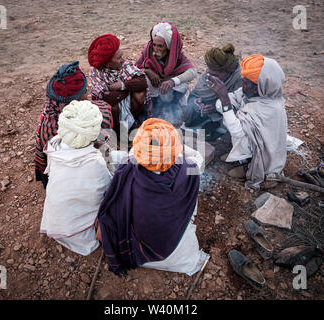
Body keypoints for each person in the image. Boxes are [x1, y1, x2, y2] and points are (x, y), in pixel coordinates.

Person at [96, 118, 209, 276]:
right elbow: (198, 157)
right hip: (172, 247)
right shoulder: (190, 170)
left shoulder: (126, 168)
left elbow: (134, 156)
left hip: (134, 249)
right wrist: (172, 146)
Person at [40, 100, 113, 256]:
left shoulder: (54, 145)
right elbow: (109, 191)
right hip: (80, 235)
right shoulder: (95, 163)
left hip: (55, 223)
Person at [207, 54, 287, 189]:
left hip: (265, 156)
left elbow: (237, 132)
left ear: (258, 86)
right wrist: (224, 100)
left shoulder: (268, 109)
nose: (242, 84)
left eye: (245, 82)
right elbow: (234, 97)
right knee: (229, 118)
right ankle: (242, 158)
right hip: (254, 142)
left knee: (239, 133)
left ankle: (252, 167)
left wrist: (225, 101)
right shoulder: (253, 92)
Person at [35, 60, 91, 188]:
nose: (87, 96)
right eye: (84, 92)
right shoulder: (61, 131)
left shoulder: (50, 113)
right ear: (72, 102)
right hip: (67, 177)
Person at [136, 22, 197, 127]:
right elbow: (134, 68)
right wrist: (148, 71)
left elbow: (192, 71)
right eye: (154, 45)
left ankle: (170, 109)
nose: (156, 49)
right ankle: (151, 111)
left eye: (160, 46)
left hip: (169, 91)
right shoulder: (148, 50)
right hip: (154, 90)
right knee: (143, 80)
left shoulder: (176, 54)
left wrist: (172, 81)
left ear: (168, 46)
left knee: (183, 83)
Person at [88, 34, 149, 135]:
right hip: (112, 108)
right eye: (118, 58)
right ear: (107, 63)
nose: (123, 60)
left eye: (121, 56)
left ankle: (133, 122)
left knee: (140, 94)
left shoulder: (124, 65)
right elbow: (106, 99)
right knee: (112, 107)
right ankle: (118, 132)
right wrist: (129, 89)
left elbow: (143, 82)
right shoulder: (96, 73)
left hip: (123, 99)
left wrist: (122, 86)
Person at [184, 44, 242, 141]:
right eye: (209, 73)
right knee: (187, 114)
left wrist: (216, 107)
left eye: (215, 75)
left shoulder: (240, 79)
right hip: (211, 114)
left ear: (227, 73)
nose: (210, 77)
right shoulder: (209, 73)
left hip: (229, 115)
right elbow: (196, 93)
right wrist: (197, 101)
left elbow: (241, 110)